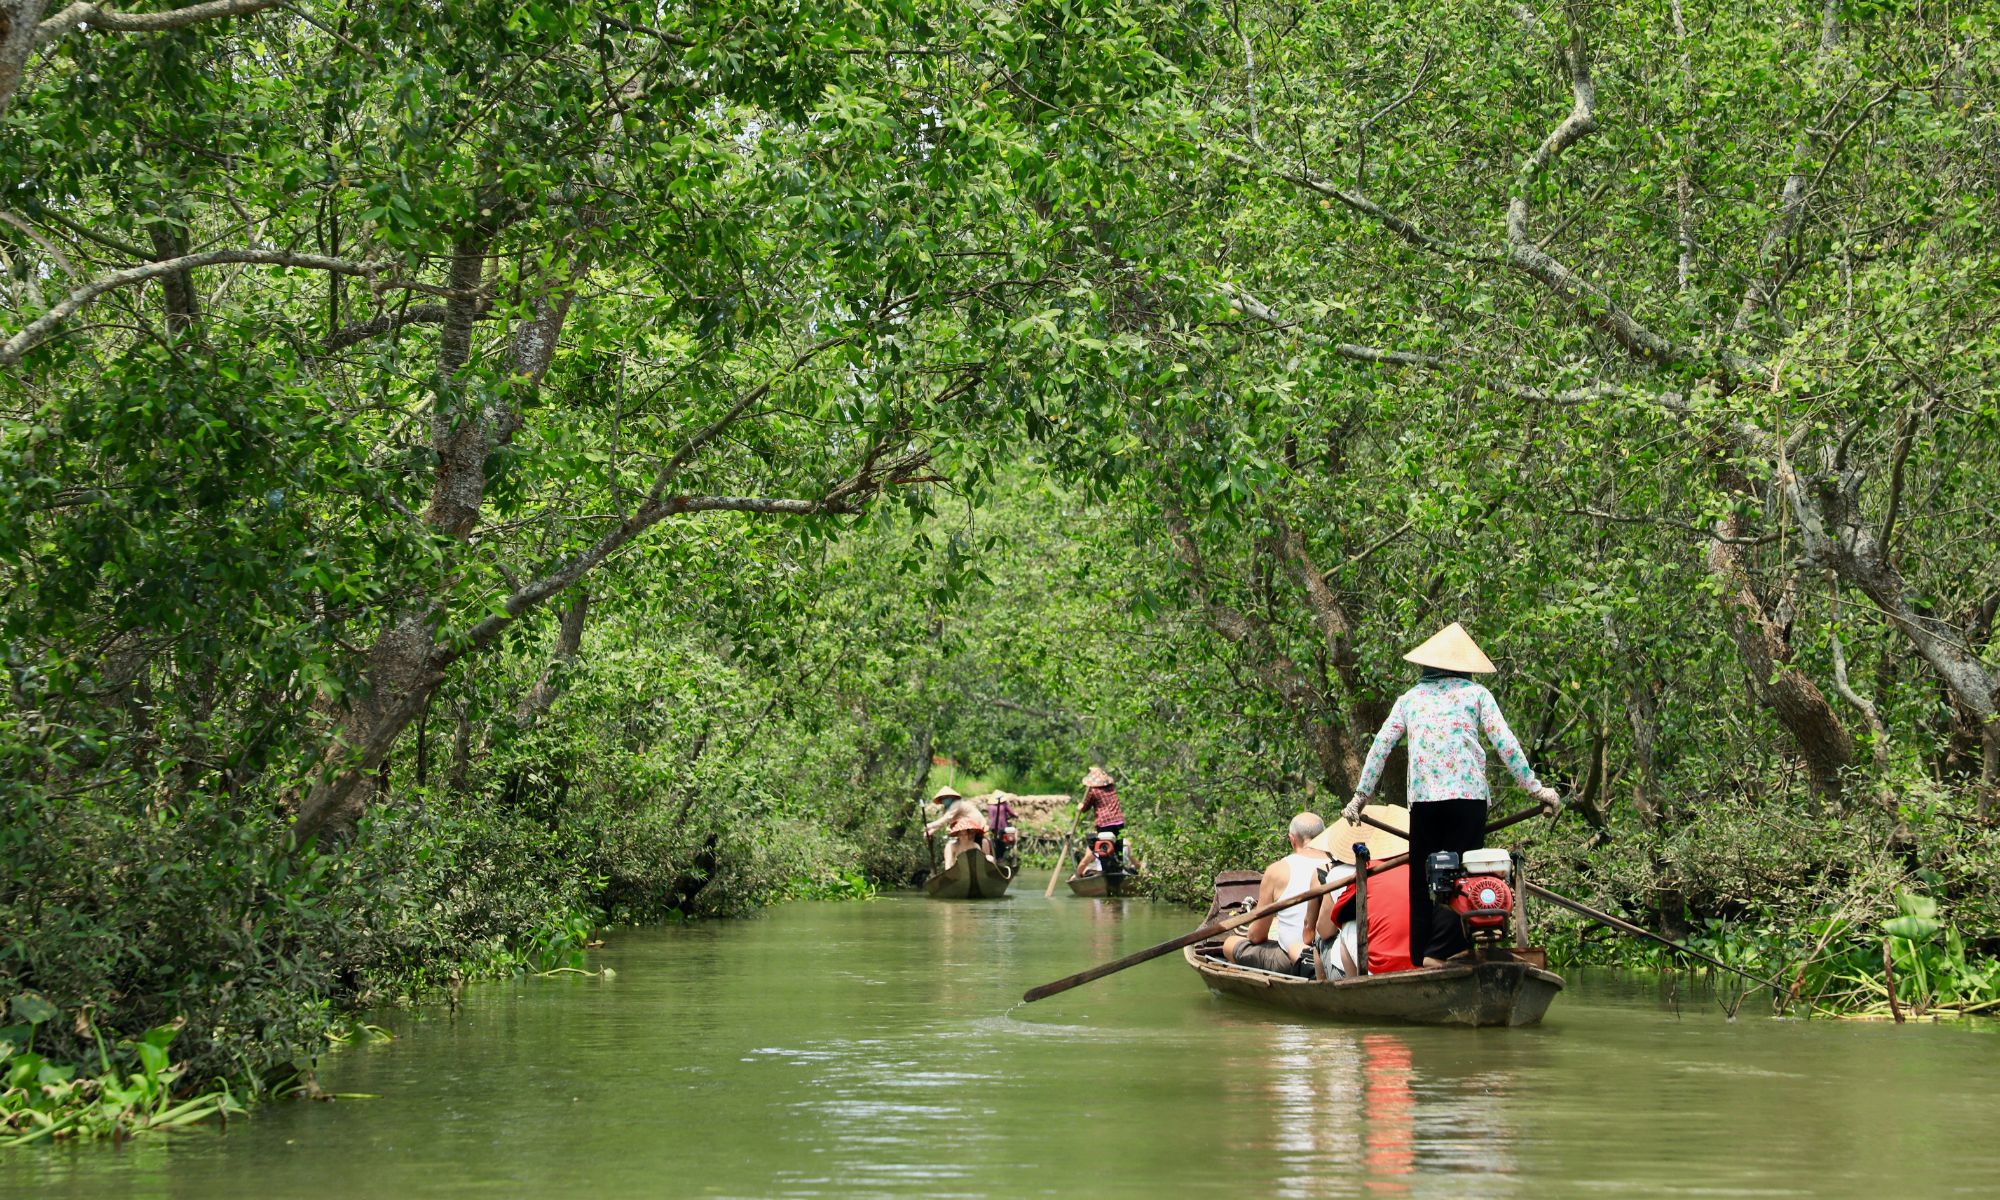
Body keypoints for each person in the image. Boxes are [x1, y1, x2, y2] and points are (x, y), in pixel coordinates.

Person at [1342, 622, 1560, 966]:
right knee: (1460, 874)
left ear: (1427, 666)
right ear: (1463, 667)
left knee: (1426, 875)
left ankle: (1422, 955)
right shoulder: (1476, 695)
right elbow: (1506, 744)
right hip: (1467, 801)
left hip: (1426, 804)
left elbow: (1380, 747)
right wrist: (1537, 790)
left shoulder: (1410, 699)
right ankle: (1443, 953)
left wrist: (1360, 798)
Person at [1306, 804, 1416, 978]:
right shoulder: (1412, 869)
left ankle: (1344, 991)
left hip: (1375, 966)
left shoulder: (1342, 874)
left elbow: (1326, 930)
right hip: (1416, 961)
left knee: (1324, 938)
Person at [1221, 812, 1332, 977]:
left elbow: (1256, 936)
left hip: (1294, 959)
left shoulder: (1278, 870)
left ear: (1292, 839)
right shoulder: (1340, 864)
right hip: (1331, 955)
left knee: (1229, 943)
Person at [1074, 766, 1126, 875]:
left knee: (1103, 849)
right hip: (1119, 822)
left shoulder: (1093, 791)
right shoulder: (1112, 787)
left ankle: (1106, 872)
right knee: (1118, 848)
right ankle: (1119, 870)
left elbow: (1085, 807)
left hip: (1104, 823)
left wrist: (1080, 807)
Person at [923, 785, 989, 870]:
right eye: (943, 798)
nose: (944, 800)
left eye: (946, 797)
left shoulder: (957, 804)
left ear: (952, 797)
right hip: (962, 829)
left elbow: (947, 818)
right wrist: (930, 831)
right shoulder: (946, 809)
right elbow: (943, 822)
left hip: (975, 826)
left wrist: (930, 825)